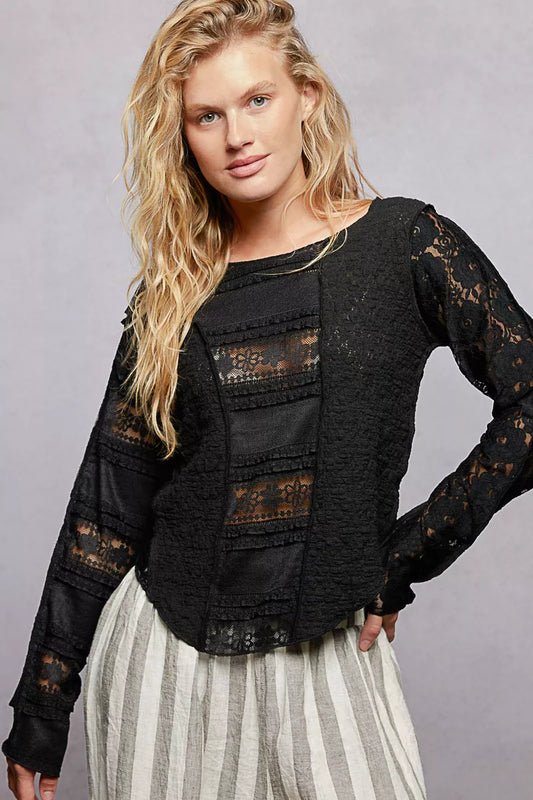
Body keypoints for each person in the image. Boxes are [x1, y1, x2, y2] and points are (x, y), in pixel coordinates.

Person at [4, 0, 533, 798]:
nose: (237, 136)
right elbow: (107, 510)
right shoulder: (172, 295)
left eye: (257, 100)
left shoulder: (403, 245)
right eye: (206, 116)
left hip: (331, 650)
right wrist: (42, 709)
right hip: (164, 663)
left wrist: (406, 555)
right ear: (184, 134)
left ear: (305, 96)